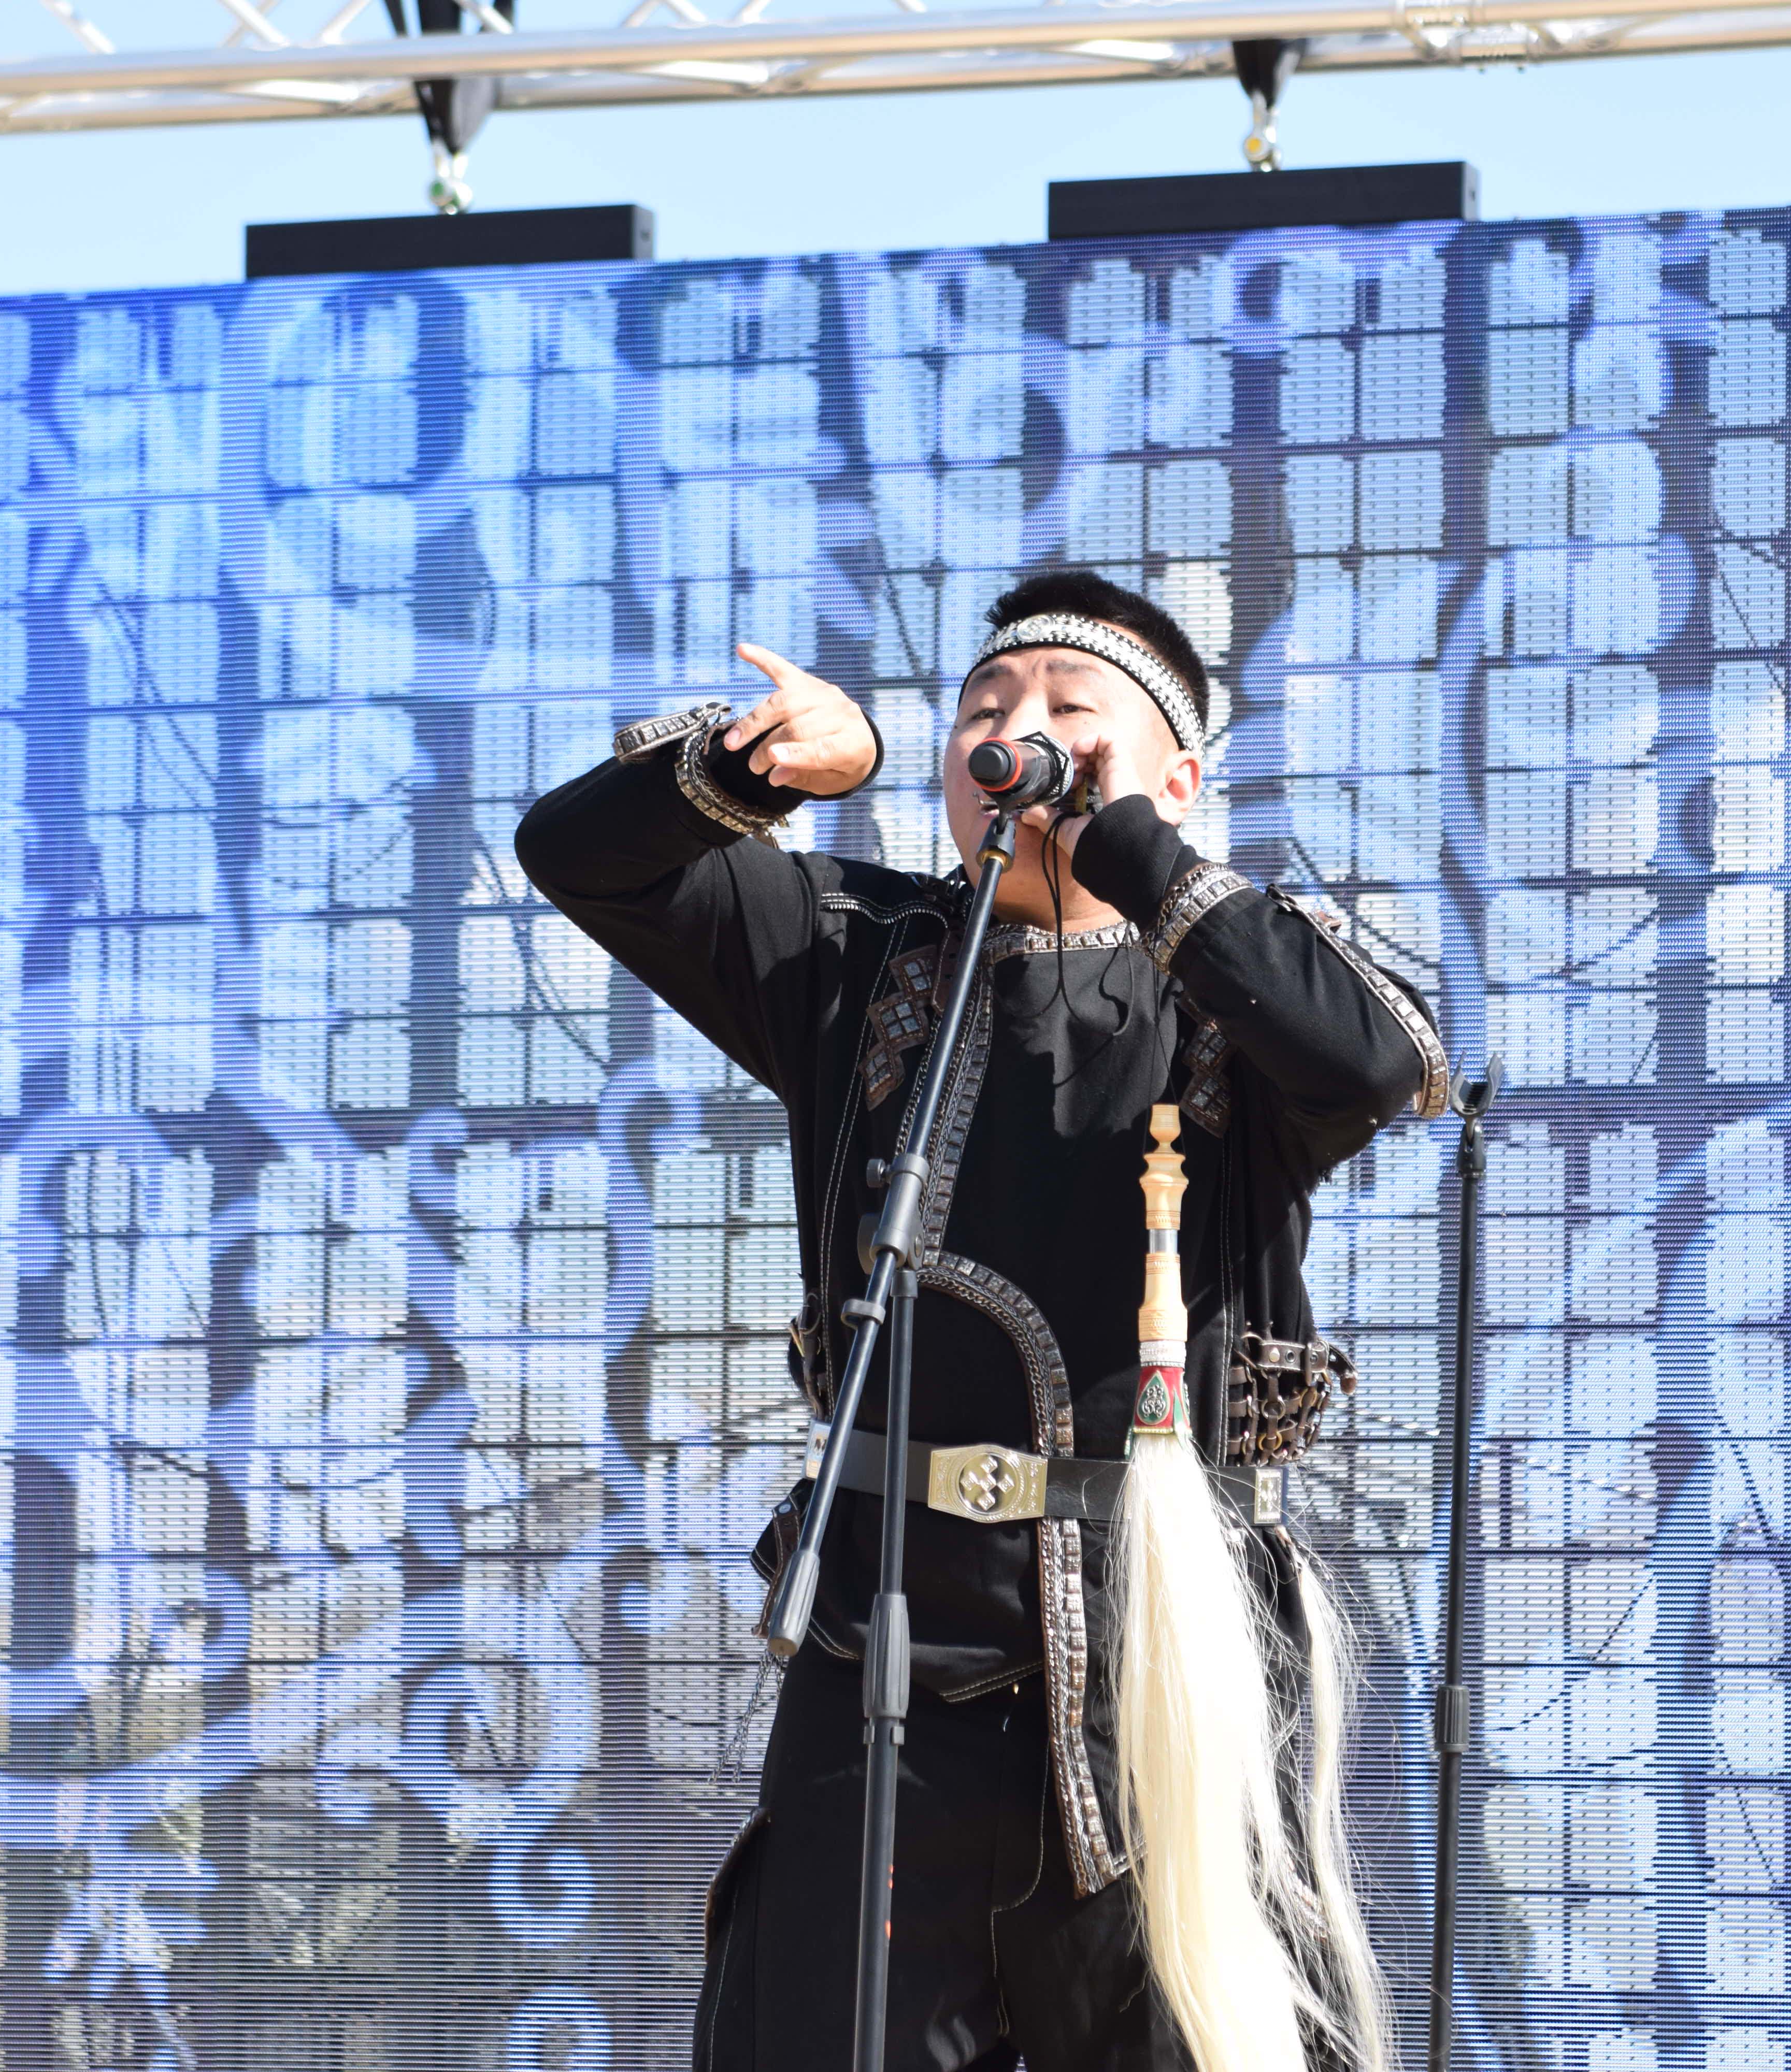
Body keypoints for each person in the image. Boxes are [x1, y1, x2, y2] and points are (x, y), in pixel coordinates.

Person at [515, 570, 1448, 2072]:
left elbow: (1375, 1067)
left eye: (1073, 714)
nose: (1015, 737)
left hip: (1161, 1647)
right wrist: (760, 771)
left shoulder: (1238, 985)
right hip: (884, 1642)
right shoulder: (856, 954)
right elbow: (577, 854)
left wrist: (1127, 846)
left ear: (1176, 781)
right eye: (984, 713)